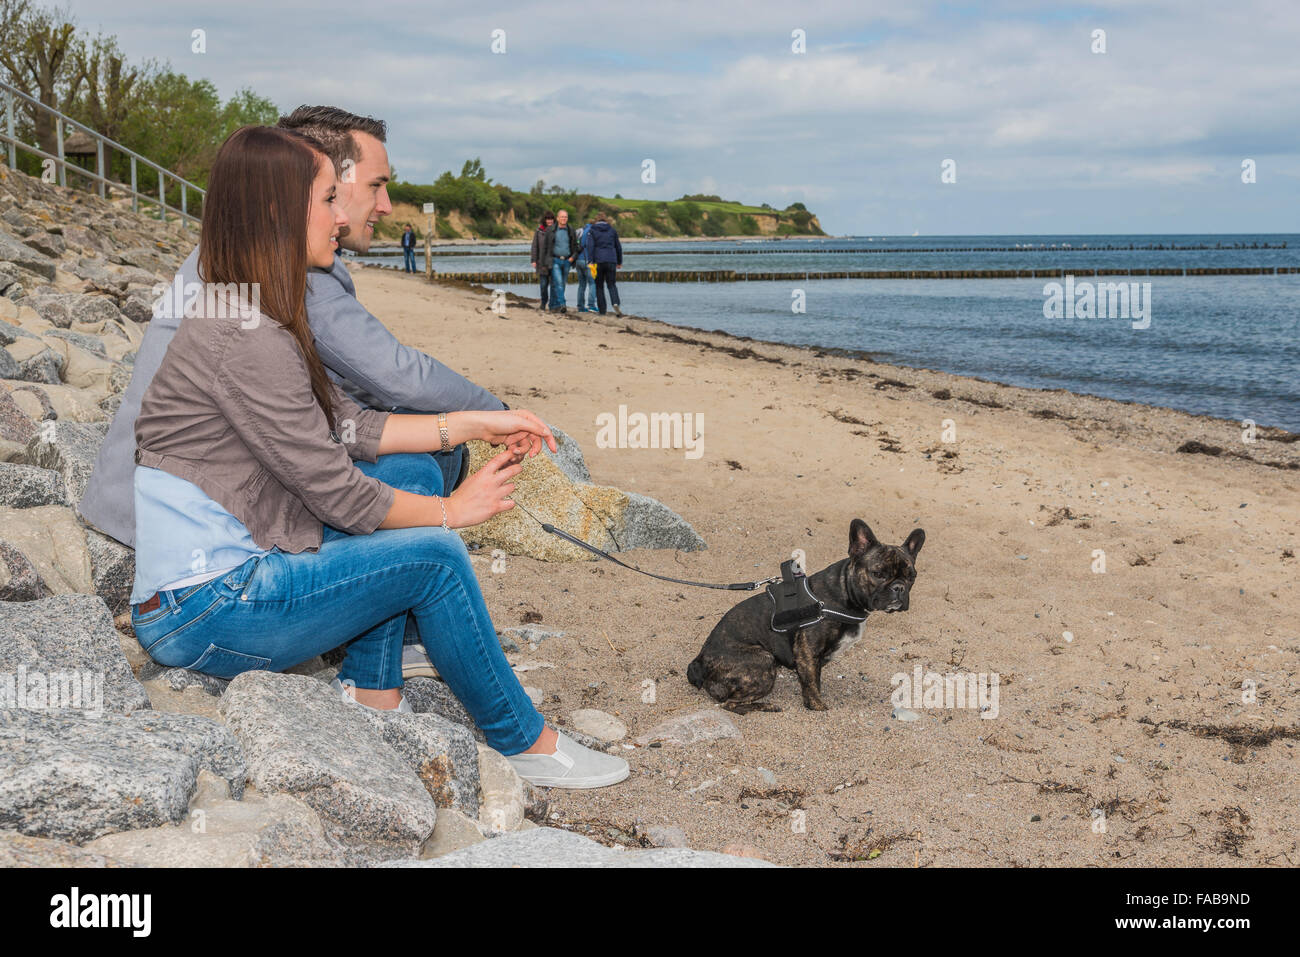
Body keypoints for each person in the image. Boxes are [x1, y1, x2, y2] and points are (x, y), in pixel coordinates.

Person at [128, 125, 629, 790]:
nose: (344, 216)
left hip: (215, 587)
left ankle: (370, 689)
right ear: (280, 212)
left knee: (410, 474)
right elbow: (339, 494)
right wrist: (454, 511)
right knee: (436, 555)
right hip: (204, 609)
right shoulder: (245, 334)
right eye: (329, 199)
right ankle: (526, 742)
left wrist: (475, 421)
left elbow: (352, 427)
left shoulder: (252, 311)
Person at [79, 105, 512, 681]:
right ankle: (388, 654)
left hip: (177, 505)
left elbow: (344, 413)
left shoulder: (246, 261)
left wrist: (473, 425)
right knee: (423, 483)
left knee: (426, 453)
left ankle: (383, 655)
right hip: (197, 544)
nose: (382, 206)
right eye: (372, 187)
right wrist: (480, 443)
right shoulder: (273, 290)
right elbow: (396, 377)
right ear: (305, 191)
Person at [583, 211, 623, 316]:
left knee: (599, 286)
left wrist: (590, 261)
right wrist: (619, 261)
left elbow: (590, 246)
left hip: (598, 261)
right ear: (606, 220)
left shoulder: (592, 230)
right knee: (612, 284)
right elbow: (618, 247)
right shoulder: (612, 230)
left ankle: (602, 310)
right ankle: (615, 302)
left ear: (596, 220)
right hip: (611, 260)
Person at [545, 209, 579, 313]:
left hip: (567, 261)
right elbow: (546, 247)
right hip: (555, 260)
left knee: (561, 284)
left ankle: (553, 305)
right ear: (558, 218)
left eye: (566, 217)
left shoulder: (571, 230)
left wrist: (572, 257)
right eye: (562, 217)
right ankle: (562, 304)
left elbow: (576, 246)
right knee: (558, 283)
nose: (564, 219)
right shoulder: (551, 230)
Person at [528, 211, 555, 310]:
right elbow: (534, 246)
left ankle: (552, 304)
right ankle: (543, 302)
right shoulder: (539, 231)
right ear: (545, 220)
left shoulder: (556, 230)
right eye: (548, 219)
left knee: (554, 285)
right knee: (543, 285)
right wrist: (533, 260)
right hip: (542, 262)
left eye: (551, 219)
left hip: (553, 261)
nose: (550, 221)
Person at [574, 217, 598, 313]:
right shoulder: (593, 231)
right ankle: (591, 305)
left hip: (578, 261)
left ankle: (580, 307)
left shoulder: (581, 230)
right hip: (588, 261)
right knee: (592, 283)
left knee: (581, 285)